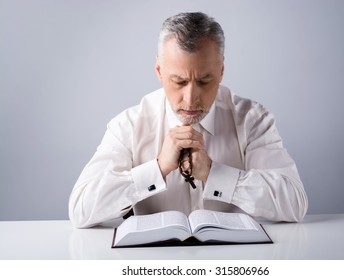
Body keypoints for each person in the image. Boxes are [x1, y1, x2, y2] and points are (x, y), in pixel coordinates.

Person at [69, 12, 308, 228]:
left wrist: (215, 174)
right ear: (159, 72)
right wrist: (158, 168)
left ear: (221, 71)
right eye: (179, 82)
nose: (191, 98)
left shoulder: (253, 120)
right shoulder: (129, 125)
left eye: (204, 81)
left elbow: (295, 203)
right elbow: (80, 209)